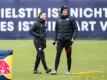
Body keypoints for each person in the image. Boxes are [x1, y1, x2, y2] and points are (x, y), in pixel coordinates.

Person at [51, 6, 78, 75]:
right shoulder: (57, 19)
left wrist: (73, 38)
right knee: (58, 54)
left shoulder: (71, 18)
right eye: (64, 10)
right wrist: (55, 40)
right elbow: (56, 30)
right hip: (60, 40)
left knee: (68, 55)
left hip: (68, 41)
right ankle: (55, 70)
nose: (65, 11)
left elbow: (75, 28)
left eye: (66, 10)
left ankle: (68, 70)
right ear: (61, 11)